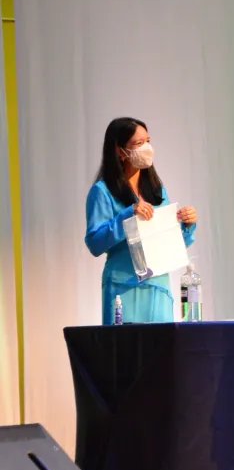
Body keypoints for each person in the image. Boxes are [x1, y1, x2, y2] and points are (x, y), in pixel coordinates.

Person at [85, 117, 198, 325]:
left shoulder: (157, 190)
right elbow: (95, 243)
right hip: (122, 287)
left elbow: (169, 243)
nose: (147, 148)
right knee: (124, 346)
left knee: (160, 346)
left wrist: (187, 226)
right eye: (138, 143)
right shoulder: (102, 191)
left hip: (158, 286)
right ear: (120, 152)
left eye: (148, 141)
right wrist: (127, 216)